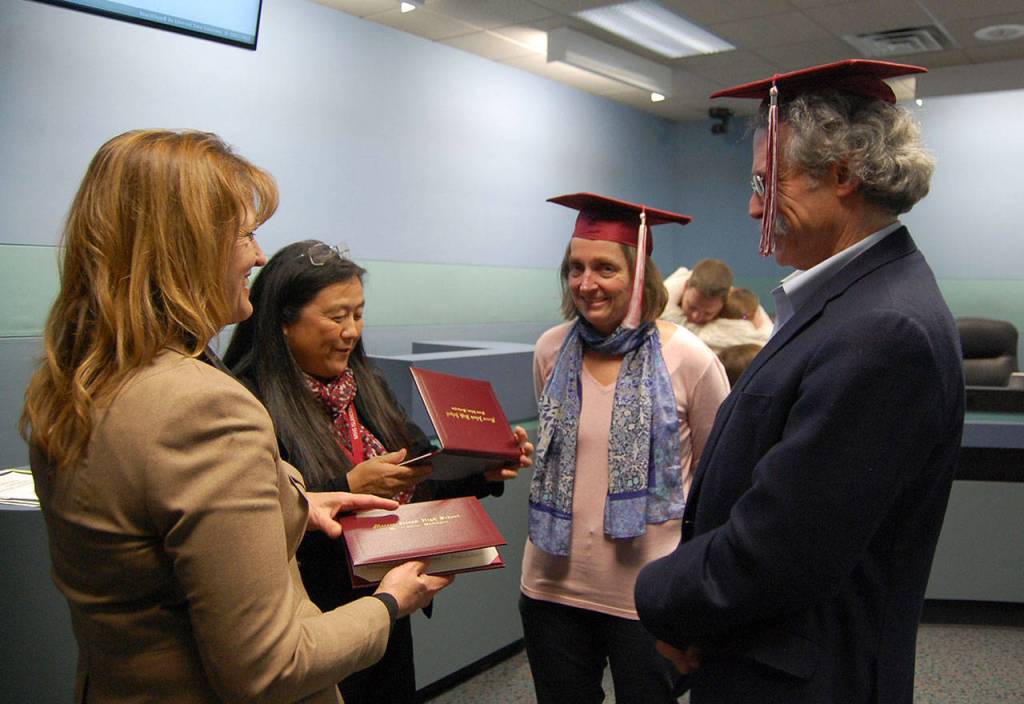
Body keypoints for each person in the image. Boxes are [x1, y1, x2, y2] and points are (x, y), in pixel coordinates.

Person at [20, 129, 450, 703]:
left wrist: (300, 500)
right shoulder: (205, 406)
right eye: (245, 233)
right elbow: (271, 667)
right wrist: (390, 602)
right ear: (187, 249)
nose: (257, 255)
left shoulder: (74, 382)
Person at [634, 60, 965, 704]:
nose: (755, 206)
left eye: (767, 181)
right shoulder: (852, 300)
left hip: (804, 678)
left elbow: (779, 552)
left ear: (842, 173)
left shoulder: (883, 329)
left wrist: (657, 596)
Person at [223, 240, 533, 704]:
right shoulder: (247, 403)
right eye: (335, 317)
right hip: (312, 623)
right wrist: (347, 487)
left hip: (387, 604)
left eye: (358, 314)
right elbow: (252, 523)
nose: (351, 332)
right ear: (283, 322)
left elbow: (417, 472)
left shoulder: (365, 384)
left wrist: (481, 470)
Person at [522, 193, 730, 703]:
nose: (586, 284)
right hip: (550, 586)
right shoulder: (551, 349)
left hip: (648, 596)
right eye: (575, 268)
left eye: (604, 268)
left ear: (639, 275)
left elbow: (716, 485)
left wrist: (700, 599)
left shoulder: (689, 360)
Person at [660, 258, 733, 326]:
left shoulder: (734, 306)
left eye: (707, 313)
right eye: (691, 307)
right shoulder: (662, 300)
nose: (695, 317)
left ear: (724, 305)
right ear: (685, 287)